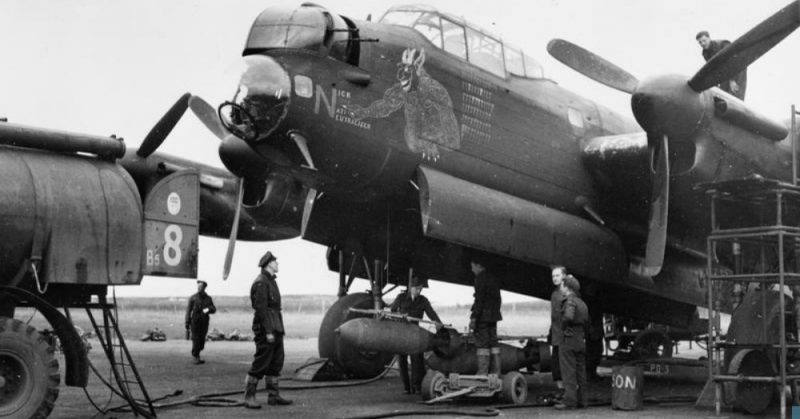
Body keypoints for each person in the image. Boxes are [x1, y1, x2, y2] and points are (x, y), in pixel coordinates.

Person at [243, 251, 292, 409]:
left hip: (276, 326)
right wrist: (269, 332)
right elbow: (261, 310)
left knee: (276, 362)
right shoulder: (261, 282)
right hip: (267, 328)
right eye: (275, 262)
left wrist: (276, 330)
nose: (277, 264)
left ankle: (273, 396)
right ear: (269, 264)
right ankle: (249, 396)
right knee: (261, 362)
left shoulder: (270, 281)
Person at [389, 275, 443, 394]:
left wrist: (438, 322)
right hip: (402, 333)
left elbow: (431, 312)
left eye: (420, 289)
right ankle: (407, 388)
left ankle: (417, 386)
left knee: (417, 361)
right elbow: (392, 311)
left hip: (415, 333)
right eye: (417, 289)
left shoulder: (423, 300)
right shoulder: (401, 297)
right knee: (402, 361)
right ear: (410, 287)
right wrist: (401, 318)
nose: (419, 291)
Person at [555, 275, 590, 410]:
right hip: (580, 339)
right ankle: (583, 401)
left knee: (568, 371)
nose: (561, 288)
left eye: (562, 286)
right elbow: (587, 322)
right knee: (581, 372)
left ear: (568, 288)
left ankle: (570, 401)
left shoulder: (570, 301)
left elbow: (568, 316)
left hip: (569, 339)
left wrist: (564, 324)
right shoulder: (583, 303)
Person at [469, 255, 502, 375]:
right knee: (494, 344)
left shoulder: (480, 279)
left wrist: (474, 317)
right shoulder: (493, 278)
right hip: (493, 317)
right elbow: (498, 299)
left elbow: (479, 300)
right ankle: (496, 372)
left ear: (478, 266)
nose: (472, 270)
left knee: (482, 345)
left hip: (483, 318)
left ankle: (482, 373)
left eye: (473, 267)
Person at [695, 31, 747, 100]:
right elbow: (713, 69)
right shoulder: (705, 53)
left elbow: (732, 61)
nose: (702, 44)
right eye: (700, 42)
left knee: (735, 94)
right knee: (723, 94)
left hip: (737, 69)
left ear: (709, 38)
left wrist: (732, 80)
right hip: (725, 72)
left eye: (704, 40)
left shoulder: (722, 44)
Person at [185, 280, 216, 364]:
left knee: (202, 340)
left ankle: (197, 354)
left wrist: (208, 309)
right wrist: (187, 321)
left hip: (204, 322)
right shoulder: (193, 298)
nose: (199, 288)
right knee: (196, 339)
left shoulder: (208, 298)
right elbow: (188, 310)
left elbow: (213, 309)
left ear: (204, 288)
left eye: (201, 287)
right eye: (198, 286)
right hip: (195, 321)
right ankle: (195, 356)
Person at [548, 266, 567, 399]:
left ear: (564, 277)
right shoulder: (554, 294)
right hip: (556, 335)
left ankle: (568, 392)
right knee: (556, 365)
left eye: (558, 275)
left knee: (566, 364)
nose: (555, 278)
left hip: (566, 336)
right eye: (553, 276)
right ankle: (562, 391)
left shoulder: (567, 294)